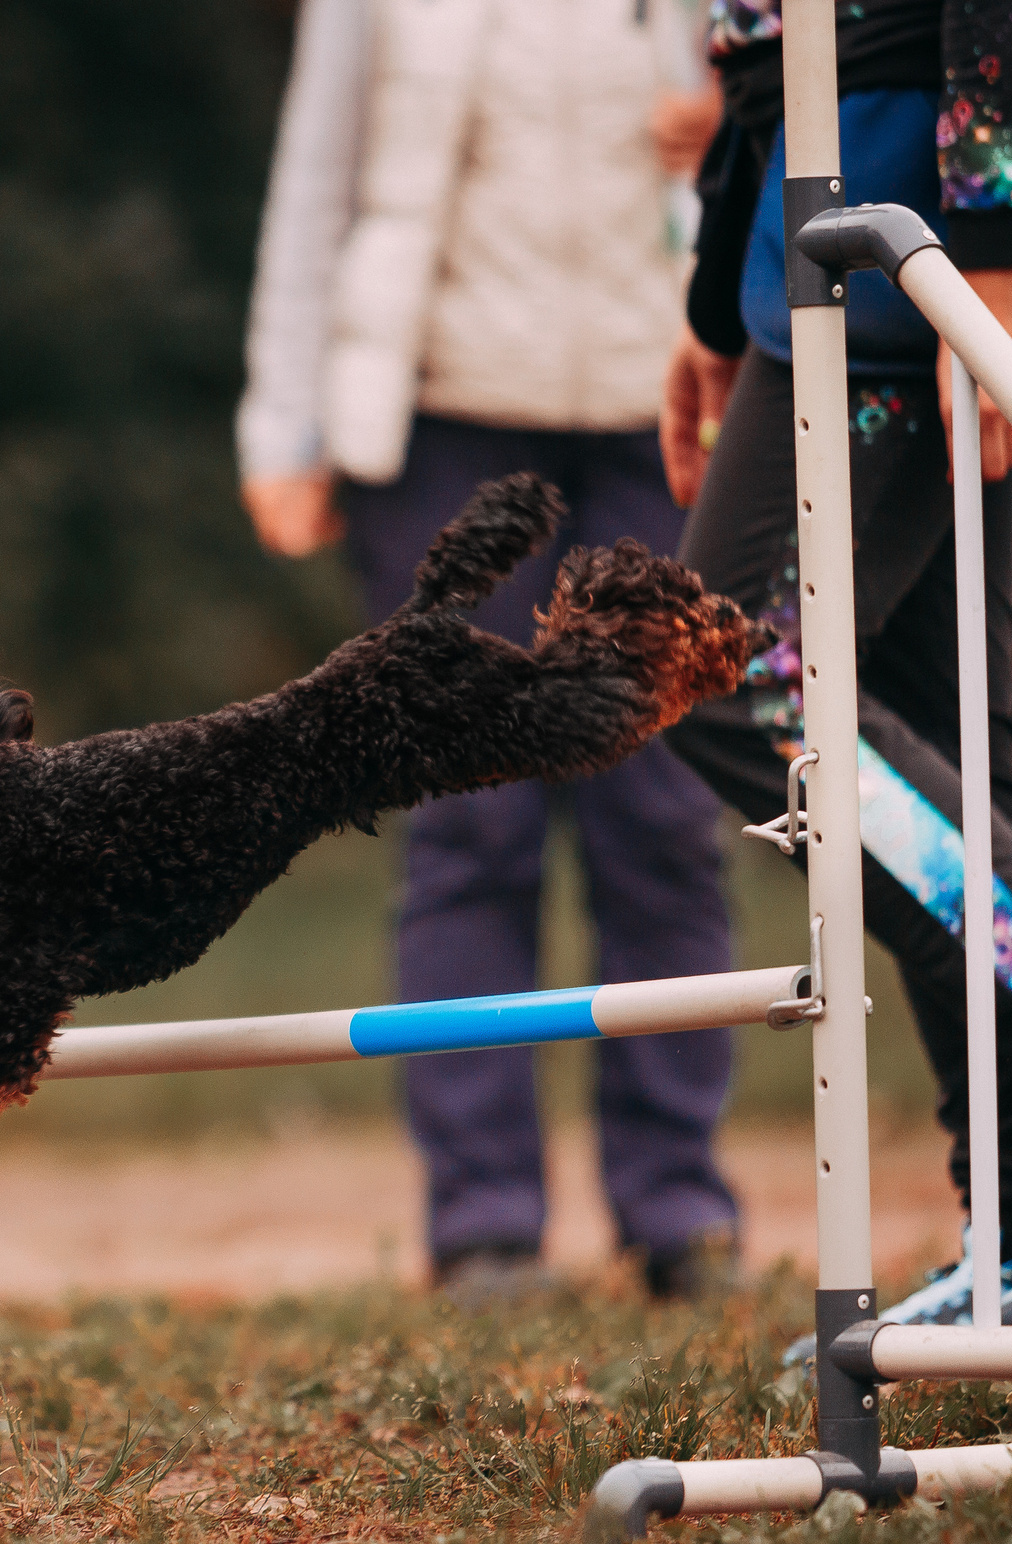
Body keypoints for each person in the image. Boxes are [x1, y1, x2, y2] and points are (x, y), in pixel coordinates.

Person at [660, 0, 1012, 1334]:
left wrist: (996, 256)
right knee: (935, 728)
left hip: (931, 191)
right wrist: (716, 298)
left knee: (739, 669)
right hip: (820, 193)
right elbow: (760, 39)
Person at [239, 0, 744, 1301]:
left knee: (667, 817)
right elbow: (316, 182)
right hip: (448, 417)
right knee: (472, 829)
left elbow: (828, 124)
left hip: (668, 410)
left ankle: (678, 1208)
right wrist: (282, 423)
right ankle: (484, 1225)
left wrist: (741, 126)